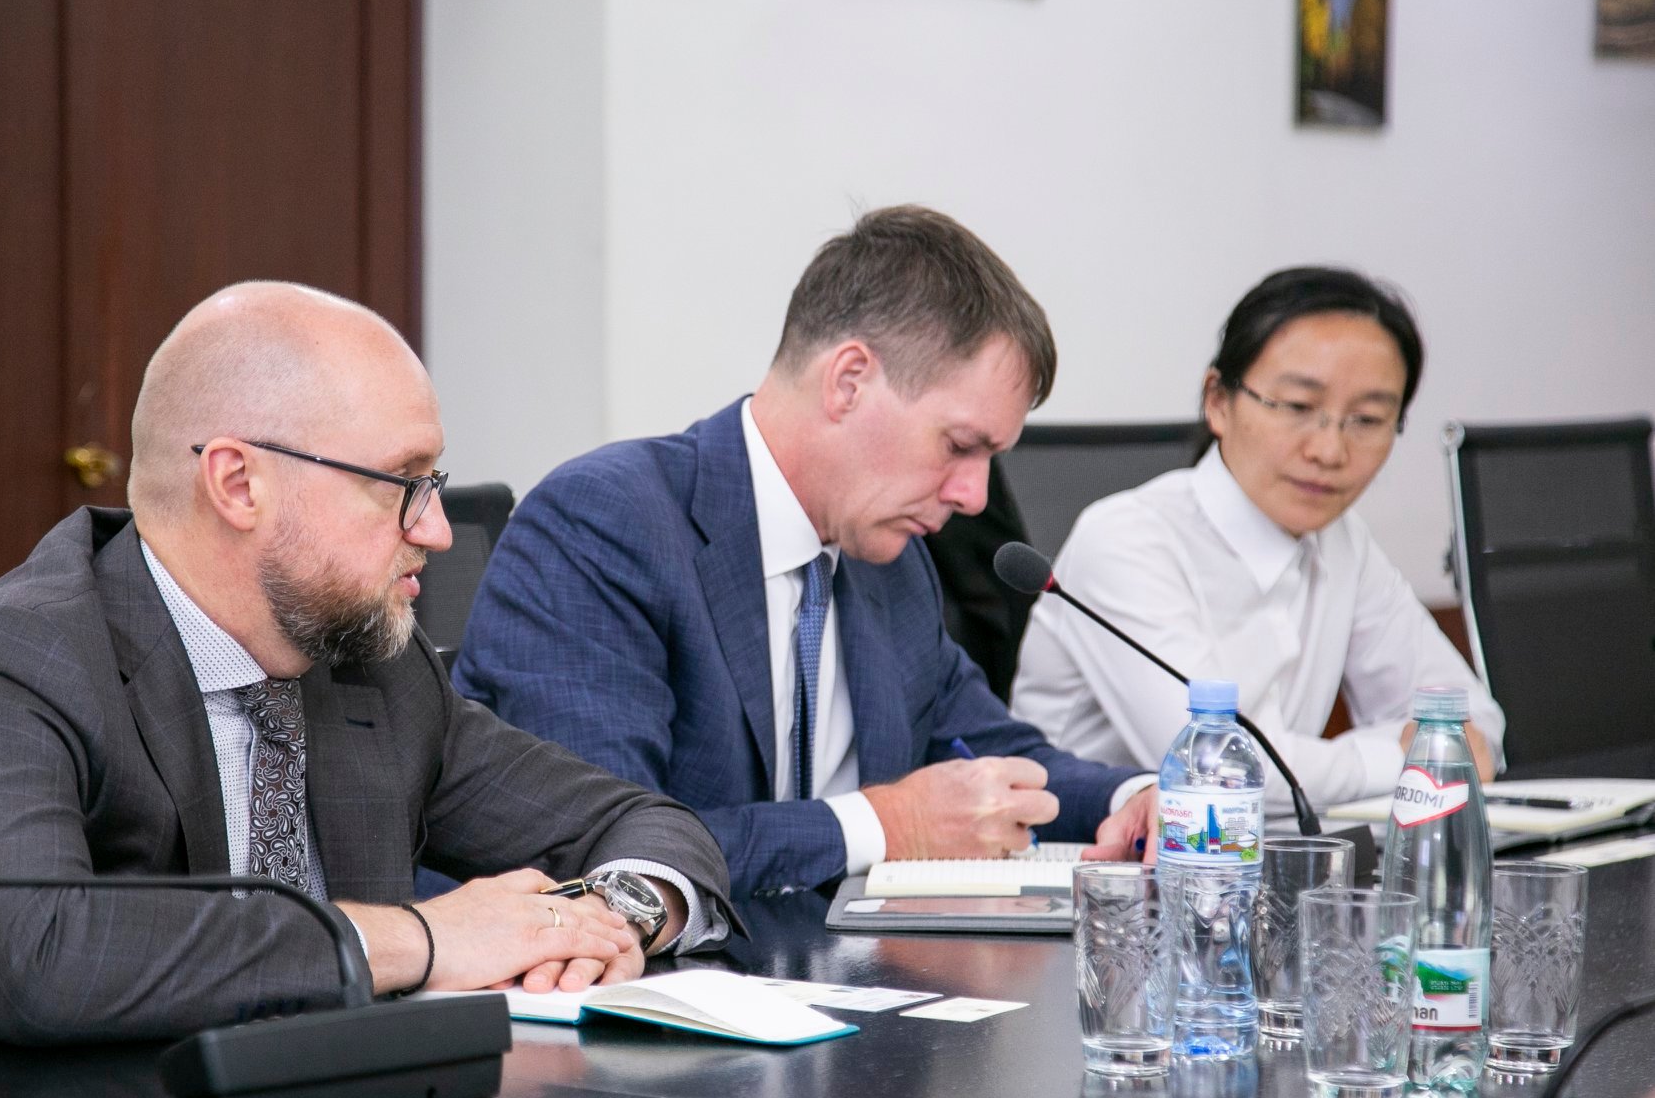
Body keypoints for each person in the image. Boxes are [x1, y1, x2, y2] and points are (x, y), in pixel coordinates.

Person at [0, 282, 732, 1059]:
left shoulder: (369, 669)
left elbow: (641, 822)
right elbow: (42, 959)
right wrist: (425, 938)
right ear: (239, 484)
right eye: (403, 484)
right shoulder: (1, 668)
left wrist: (606, 918)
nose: (438, 530)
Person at [452, 206, 1155, 897]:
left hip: (844, 964)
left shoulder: (891, 560)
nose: (974, 496)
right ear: (848, 382)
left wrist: (1135, 797)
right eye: (959, 446)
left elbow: (991, 756)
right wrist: (886, 826)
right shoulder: (603, 524)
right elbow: (603, 852)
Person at [1011, 266, 1504, 808]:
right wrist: (1410, 758)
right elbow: (1220, 766)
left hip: (1266, 853)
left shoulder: (1343, 541)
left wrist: (1435, 746)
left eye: (1366, 419)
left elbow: (1476, 725)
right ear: (1218, 402)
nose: (1329, 451)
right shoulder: (1125, 541)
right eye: (1297, 407)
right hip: (1100, 851)